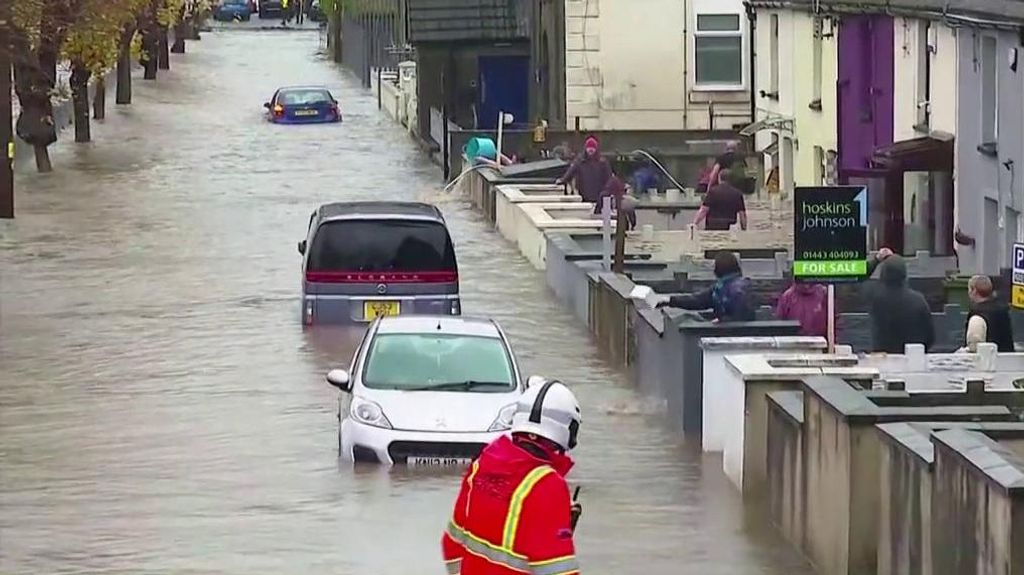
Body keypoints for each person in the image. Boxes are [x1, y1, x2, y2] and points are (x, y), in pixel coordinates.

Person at [442, 379, 582, 575]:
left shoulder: (483, 463)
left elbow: (451, 543)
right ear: (568, 430)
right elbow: (558, 571)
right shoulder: (548, 486)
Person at [865, 248, 935, 353]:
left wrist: (876, 260)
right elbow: (930, 336)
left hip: (884, 358)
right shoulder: (918, 300)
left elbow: (857, 277)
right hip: (913, 357)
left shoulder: (876, 298)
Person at [656, 252, 755, 322]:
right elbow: (698, 300)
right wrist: (670, 300)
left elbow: (742, 316)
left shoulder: (738, 289)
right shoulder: (720, 287)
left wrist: (723, 322)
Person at [962, 274, 1015, 352]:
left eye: (969, 289)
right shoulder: (1002, 310)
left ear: (974, 291)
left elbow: (974, 344)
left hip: (986, 359)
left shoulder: (977, 315)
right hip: (1006, 358)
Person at [556, 136, 612, 204]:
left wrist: (607, 191)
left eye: (593, 148)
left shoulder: (603, 162)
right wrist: (562, 180)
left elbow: (609, 178)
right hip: (584, 196)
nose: (590, 149)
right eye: (589, 147)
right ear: (585, 148)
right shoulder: (580, 161)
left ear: (596, 149)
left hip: (600, 197)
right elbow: (570, 172)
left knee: (604, 212)